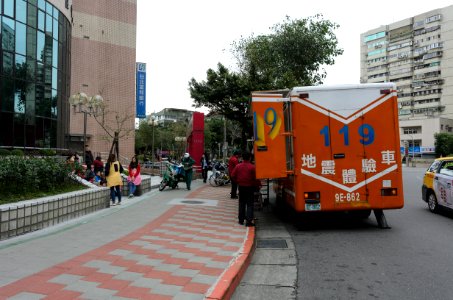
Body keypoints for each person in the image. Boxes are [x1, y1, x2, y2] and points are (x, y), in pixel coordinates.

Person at [231, 151, 260, 227]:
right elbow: (256, 179)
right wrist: (258, 185)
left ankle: (241, 220)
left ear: (242, 158)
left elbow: (233, 175)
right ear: (250, 158)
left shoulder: (238, 166)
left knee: (241, 203)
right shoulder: (252, 167)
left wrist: (237, 181)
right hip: (250, 187)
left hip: (241, 187)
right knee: (250, 204)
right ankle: (249, 221)